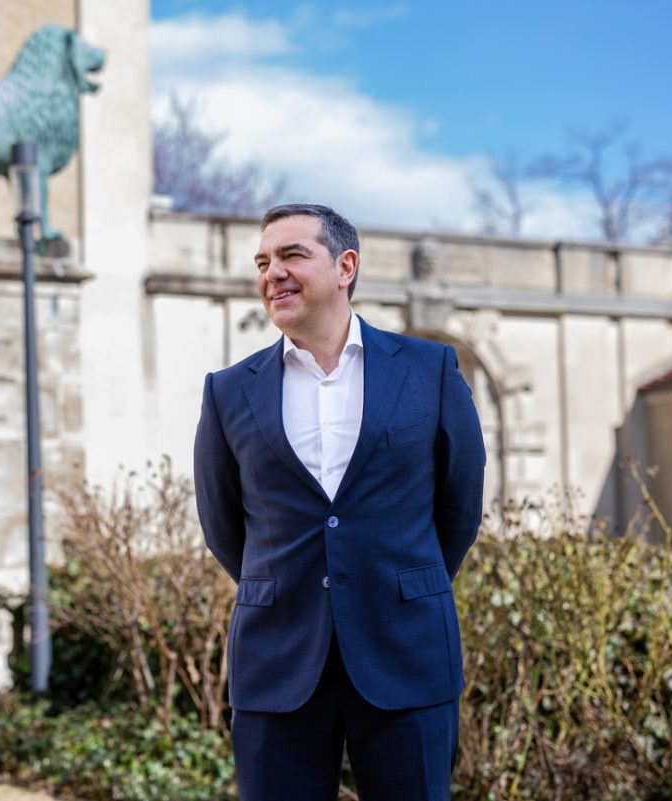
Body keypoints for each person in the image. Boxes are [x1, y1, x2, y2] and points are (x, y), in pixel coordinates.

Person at [193, 203, 486, 800]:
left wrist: (405, 580)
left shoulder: (429, 370)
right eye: (263, 262)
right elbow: (223, 525)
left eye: (292, 255)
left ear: (345, 266)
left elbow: (460, 505)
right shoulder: (228, 391)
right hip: (277, 657)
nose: (273, 272)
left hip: (407, 650)